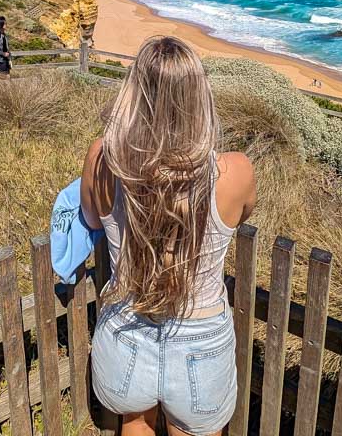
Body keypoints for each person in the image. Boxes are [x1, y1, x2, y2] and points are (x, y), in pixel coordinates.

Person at [81, 36, 256, 436]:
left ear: (133, 94)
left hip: (125, 325)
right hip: (200, 338)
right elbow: (245, 212)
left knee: (135, 423)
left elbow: (91, 218)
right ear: (199, 98)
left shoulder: (102, 157)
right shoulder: (235, 171)